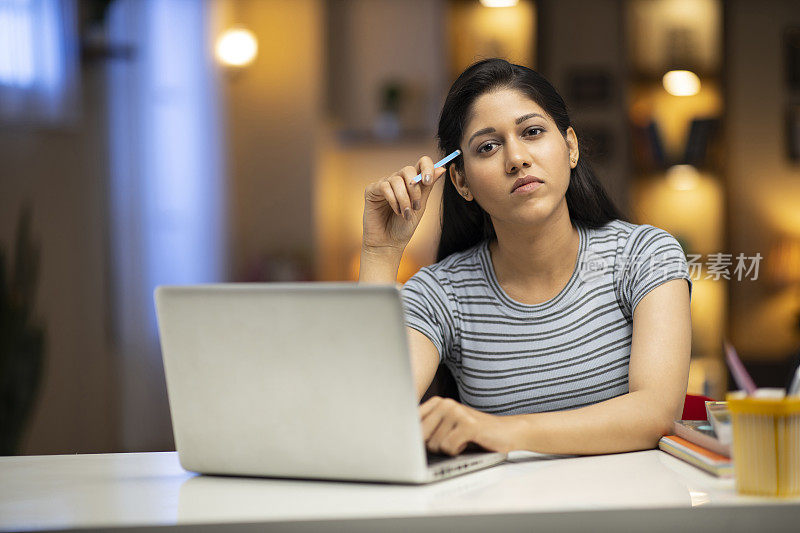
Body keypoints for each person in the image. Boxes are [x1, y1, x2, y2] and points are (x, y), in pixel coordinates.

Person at [359, 58, 692, 457]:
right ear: (461, 181)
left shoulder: (644, 256)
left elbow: (656, 412)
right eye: (488, 146)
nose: (516, 158)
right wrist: (381, 252)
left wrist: (498, 431)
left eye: (532, 132)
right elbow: (368, 418)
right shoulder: (441, 293)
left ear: (570, 147)